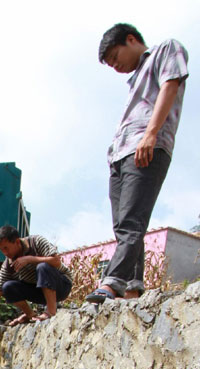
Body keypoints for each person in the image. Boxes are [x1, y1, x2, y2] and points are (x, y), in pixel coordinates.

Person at [86, 24, 188, 304]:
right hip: (120, 153)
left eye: (115, 57)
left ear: (130, 39)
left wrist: (151, 134)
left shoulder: (166, 49)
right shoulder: (134, 80)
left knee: (131, 221)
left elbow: (171, 84)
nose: (115, 66)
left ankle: (111, 282)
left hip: (145, 146)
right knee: (124, 226)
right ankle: (132, 286)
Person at [0, 225, 73, 333]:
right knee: (7, 287)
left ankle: (51, 312)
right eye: (1, 250)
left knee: (42, 267)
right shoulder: (8, 264)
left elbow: (56, 261)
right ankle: (30, 315)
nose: (5, 253)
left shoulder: (36, 242)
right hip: (40, 292)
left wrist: (30, 259)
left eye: (6, 248)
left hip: (62, 285)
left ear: (17, 242)